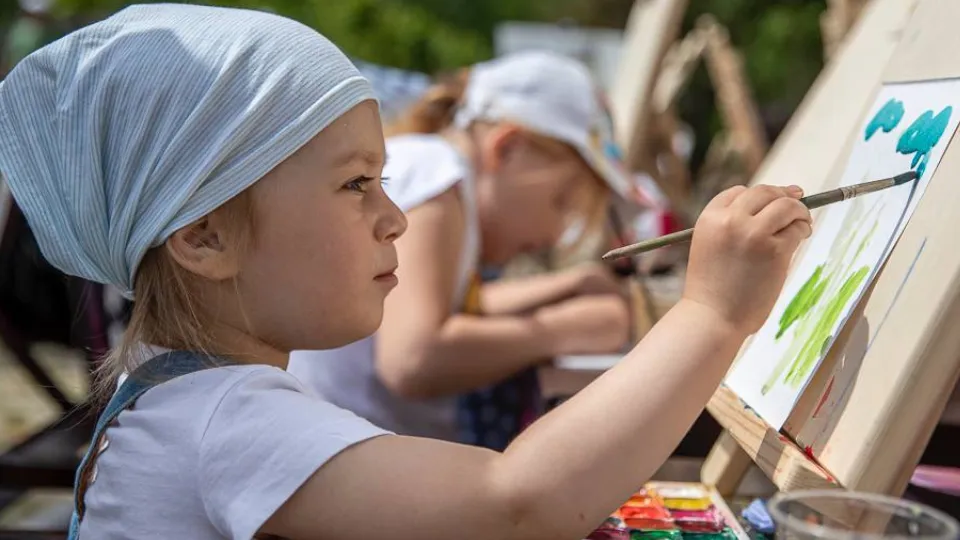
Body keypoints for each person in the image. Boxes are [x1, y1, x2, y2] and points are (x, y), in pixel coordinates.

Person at [0, 5, 812, 539]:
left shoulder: (177, 390)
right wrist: (709, 314)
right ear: (207, 239)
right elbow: (517, 505)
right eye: (357, 185)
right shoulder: (223, 422)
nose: (395, 218)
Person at [287, 51, 656, 446]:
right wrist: (562, 331)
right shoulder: (438, 177)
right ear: (507, 148)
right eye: (561, 201)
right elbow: (413, 359)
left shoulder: (442, 177)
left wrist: (569, 285)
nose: (556, 234)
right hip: (348, 463)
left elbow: (461, 306)